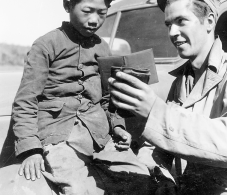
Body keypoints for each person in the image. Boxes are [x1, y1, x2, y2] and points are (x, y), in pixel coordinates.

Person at [108, 0, 227, 194]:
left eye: (181, 21)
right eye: (168, 25)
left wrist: (155, 112)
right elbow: (157, 147)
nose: (172, 33)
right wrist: (162, 176)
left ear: (209, 22)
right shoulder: (181, 81)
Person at [12, 0, 151, 194]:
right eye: (87, 11)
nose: (94, 20)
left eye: (102, 13)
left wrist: (117, 126)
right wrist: (31, 150)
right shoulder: (45, 45)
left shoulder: (102, 47)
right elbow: (25, 101)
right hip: (57, 137)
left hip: (100, 135)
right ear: (68, 6)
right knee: (79, 189)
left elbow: (106, 98)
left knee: (140, 178)